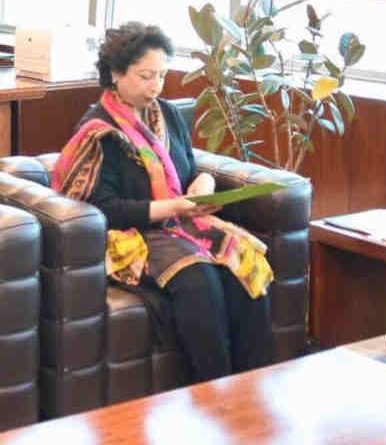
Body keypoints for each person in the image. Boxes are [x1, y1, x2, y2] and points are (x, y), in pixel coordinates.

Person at [52, 22, 274, 383]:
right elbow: (103, 210)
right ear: (115, 74)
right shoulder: (98, 132)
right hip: (132, 233)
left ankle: (253, 388)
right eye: (145, 76)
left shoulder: (166, 114)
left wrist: (205, 182)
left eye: (162, 75)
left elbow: (189, 166)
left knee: (242, 265)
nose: (156, 85)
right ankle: (214, 391)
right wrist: (173, 208)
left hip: (181, 223)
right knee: (199, 279)